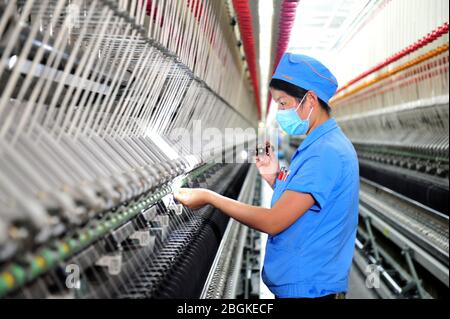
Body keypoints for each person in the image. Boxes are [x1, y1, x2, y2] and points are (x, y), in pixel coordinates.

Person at [174, 53, 359, 299]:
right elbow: (305, 203)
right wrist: (273, 177)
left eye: (283, 103)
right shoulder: (321, 144)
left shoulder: (325, 153)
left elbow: (274, 221)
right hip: (306, 284)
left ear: (310, 100)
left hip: (311, 290)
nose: (281, 112)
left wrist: (209, 197)